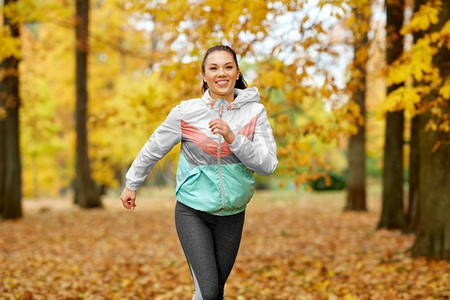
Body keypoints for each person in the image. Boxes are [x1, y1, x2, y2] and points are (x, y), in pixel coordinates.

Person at [120, 45, 278, 300]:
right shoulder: (186, 112)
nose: (221, 73)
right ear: (203, 75)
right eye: (213, 68)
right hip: (192, 211)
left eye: (228, 67)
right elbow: (154, 147)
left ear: (237, 72)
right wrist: (132, 182)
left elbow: (268, 164)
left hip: (233, 215)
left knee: (215, 292)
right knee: (208, 292)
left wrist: (233, 138)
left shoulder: (255, 112)